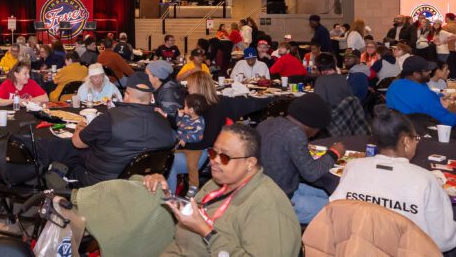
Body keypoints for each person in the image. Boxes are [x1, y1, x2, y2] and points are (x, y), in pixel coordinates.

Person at [146, 124, 301, 256]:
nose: (214, 161)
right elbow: (196, 214)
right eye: (213, 153)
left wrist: (206, 232)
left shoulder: (267, 208)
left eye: (225, 157)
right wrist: (168, 195)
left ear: (250, 163)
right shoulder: (219, 182)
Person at [330, 107, 456, 252]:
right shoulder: (424, 180)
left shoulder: (353, 167)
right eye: (415, 138)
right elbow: (443, 240)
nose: (417, 143)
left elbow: (335, 212)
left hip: (356, 250)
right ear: (406, 142)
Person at [72, 72, 177, 186]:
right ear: (151, 97)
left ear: (126, 95)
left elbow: (78, 143)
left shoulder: (109, 118)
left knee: (68, 158)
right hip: (143, 185)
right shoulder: (165, 124)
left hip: (102, 183)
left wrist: (79, 128)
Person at [255, 93, 342, 224]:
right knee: (341, 211)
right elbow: (312, 173)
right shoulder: (295, 133)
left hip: (267, 190)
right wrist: (335, 152)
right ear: (312, 126)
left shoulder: (266, 123)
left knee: (335, 197)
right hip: (282, 200)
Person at [384, 56, 456, 126]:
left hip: (396, 126)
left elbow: (415, 97)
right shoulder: (422, 92)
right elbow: (448, 121)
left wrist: (439, 96)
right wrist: (455, 112)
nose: (430, 71)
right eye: (426, 70)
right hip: (420, 130)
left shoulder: (394, 85)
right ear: (416, 74)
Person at [169, 94, 209, 197]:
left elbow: (198, 137)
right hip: (181, 146)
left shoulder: (199, 122)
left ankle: (194, 186)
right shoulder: (186, 117)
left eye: (185, 106)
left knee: (192, 165)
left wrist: (185, 139)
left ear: (191, 110)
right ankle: (179, 180)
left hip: (194, 150)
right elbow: (179, 125)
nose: (183, 107)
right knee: (170, 155)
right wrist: (179, 116)